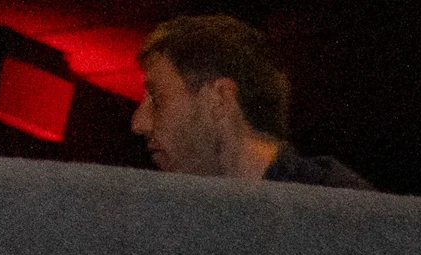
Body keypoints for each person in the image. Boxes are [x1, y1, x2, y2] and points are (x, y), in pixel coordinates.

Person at [130, 17, 372, 189]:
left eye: (157, 99)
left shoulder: (339, 209)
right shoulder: (179, 218)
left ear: (219, 99)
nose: (138, 123)